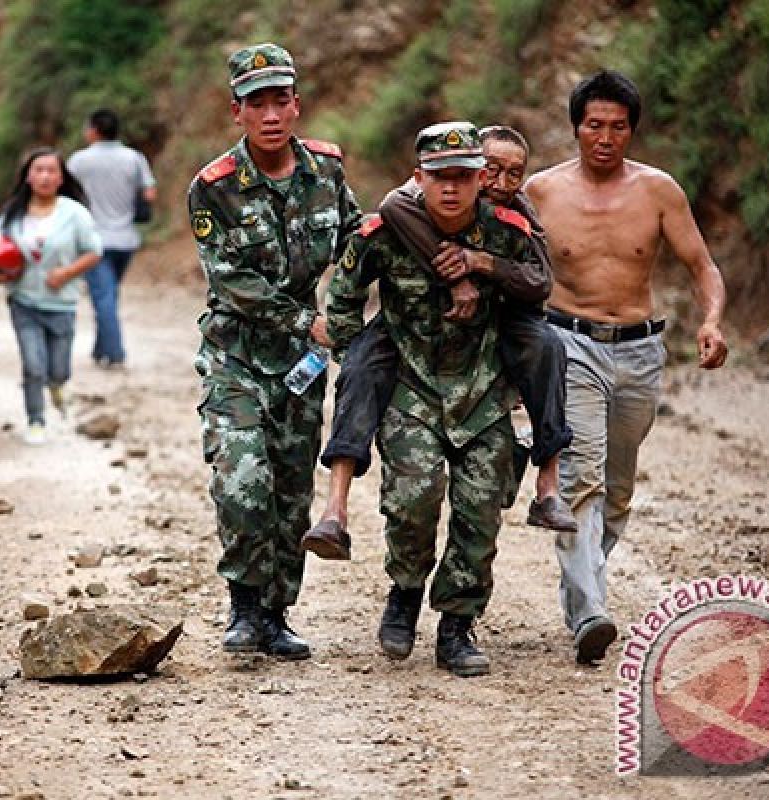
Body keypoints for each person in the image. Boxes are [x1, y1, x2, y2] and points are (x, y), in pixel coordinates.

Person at [325, 122, 547, 676]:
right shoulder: (381, 232)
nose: (451, 189)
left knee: (479, 515)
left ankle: (457, 624)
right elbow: (345, 297)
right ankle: (403, 591)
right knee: (412, 500)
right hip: (412, 389)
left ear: (479, 179)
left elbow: (538, 288)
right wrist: (362, 359)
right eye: (439, 177)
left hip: (483, 392)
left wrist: (486, 273)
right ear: (418, 177)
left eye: (463, 177)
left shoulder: (508, 231)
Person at [525, 69, 728, 664]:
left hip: (640, 350)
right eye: (594, 125)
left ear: (632, 131)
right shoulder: (541, 191)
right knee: (579, 479)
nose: (605, 137)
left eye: (618, 127)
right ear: (576, 128)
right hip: (569, 343)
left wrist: (712, 320)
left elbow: (703, 267)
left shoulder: (659, 191)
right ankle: (590, 610)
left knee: (616, 492)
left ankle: (580, 587)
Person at [302, 123, 574, 565]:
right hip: (408, 343)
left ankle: (548, 483)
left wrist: (479, 264)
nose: (499, 184)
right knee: (360, 366)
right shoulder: (398, 213)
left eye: (512, 174)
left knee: (548, 346)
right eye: (491, 170)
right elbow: (374, 240)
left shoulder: (511, 221)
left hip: (489, 343)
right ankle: (335, 509)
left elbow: (540, 280)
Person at [188, 43, 361, 660]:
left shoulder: (329, 172)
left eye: (279, 100)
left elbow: (356, 247)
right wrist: (303, 319)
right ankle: (241, 604)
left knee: (290, 487)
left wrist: (342, 312)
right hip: (235, 357)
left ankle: (277, 613)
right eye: (255, 103)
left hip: (300, 367)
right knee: (244, 480)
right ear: (235, 111)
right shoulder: (213, 189)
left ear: (297, 105)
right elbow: (228, 279)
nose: (269, 114)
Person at [0, 148, 102, 445]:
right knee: (32, 364)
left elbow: (94, 251)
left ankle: (57, 387)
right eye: (38, 170)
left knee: (58, 370)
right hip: (23, 301)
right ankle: (36, 419)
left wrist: (66, 273)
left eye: (51, 171)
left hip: (62, 303)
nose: (44, 176)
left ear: (60, 177)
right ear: (27, 176)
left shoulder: (74, 213)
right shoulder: (13, 213)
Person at [66, 109, 157, 368]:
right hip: (126, 240)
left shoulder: (79, 161)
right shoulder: (134, 158)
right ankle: (100, 350)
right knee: (107, 295)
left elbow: (66, 196)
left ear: (94, 130)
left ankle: (115, 354)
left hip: (93, 240)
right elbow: (149, 193)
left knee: (103, 297)